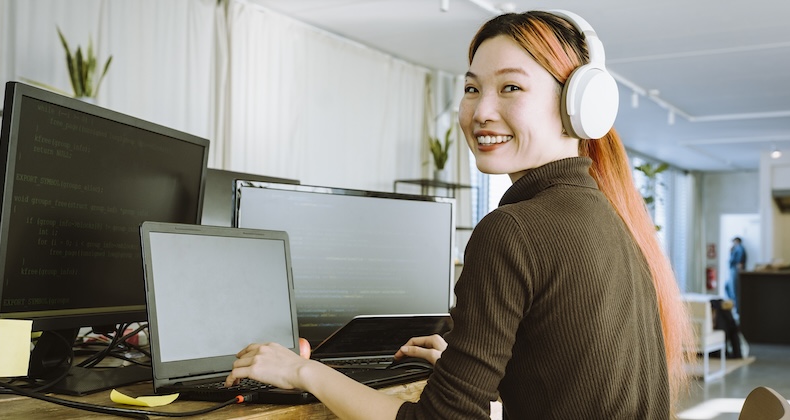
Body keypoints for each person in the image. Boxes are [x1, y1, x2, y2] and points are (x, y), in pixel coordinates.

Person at [225, 10, 692, 418]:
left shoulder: (513, 229)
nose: (481, 110)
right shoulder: (605, 212)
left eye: (511, 87)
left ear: (577, 108)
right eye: (472, 88)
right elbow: (570, 377)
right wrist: (469, 363)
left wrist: (303, 371)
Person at [725, 237, 746, 314]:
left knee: (735, 290)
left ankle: (737, 310)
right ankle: (734, 307)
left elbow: (740, 262)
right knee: (728, 287)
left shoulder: (740, 248)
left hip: (735, 270)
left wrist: (739, 266)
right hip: (733, 270)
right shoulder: (735, 249)